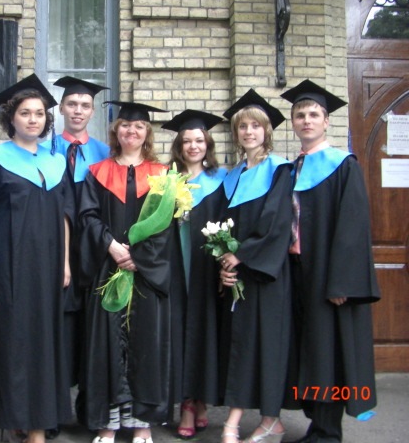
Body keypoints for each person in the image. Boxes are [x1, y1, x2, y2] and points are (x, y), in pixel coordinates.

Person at [280, 80, 380, 443]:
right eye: (300, 115)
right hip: (296, 272)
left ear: (326, 121)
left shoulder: (342, 165)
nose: (306, 120)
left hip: (327, 276)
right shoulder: (293, 168)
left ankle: (327, 432)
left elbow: (352, 227)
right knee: (307, 349)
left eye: (313, 115)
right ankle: (316, 424)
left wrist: (342, 282)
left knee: (327, 352)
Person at [77, 101, 171, 443]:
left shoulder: (162, 174)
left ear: (147, 133)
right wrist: (111, 246)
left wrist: (139, 257)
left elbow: (166, 226)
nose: (132, 131)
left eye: (139, 126)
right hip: (108, 268)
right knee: (106, 346)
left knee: (146, 345)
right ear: (116, 131)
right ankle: (108, 423)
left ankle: (142, 424)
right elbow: (87, 216)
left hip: (146, 272)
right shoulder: (97, 172)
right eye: (126, 125)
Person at [0, 74, 72, 443]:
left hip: (49, 267)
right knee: (16, 342)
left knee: (45, 344)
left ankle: (39, 425)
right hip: (11, 267)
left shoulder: (56, 163)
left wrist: (65, 263)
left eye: (39, 113)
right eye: (25, 113)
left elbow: (66, 216)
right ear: (12, 118)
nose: (33, 119)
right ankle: (18, 420)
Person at [217, 90, 293, 443]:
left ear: (266, 131)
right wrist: (223, 261)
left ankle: (257, 420)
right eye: (242, 126)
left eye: (255, 126)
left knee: (266, 345)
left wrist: (242, 255)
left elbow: (276, 222)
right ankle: (268, 421)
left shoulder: (278, 170)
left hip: (266, 273)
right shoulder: (232, 177)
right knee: (243, 345)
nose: (248, 132)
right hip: (238, 273)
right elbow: (222, 227)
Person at [42, 76, 110, 435]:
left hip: (96, 254)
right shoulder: (45, 150)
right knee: (58, 330)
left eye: (85, 105)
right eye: (72, 104)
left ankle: (90, 409)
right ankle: (53, 410)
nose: (78, 111)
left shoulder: (105, 154)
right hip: (57, 251)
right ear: (61, 108)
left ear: (92, 111)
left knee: (92, 331)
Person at [162, 110, 226, 440]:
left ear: (208, 144)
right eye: (186, 141)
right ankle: (187, 403)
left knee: (204, 333)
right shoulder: (168, 180)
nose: (193, 146)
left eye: (199, 140)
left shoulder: (222, 179)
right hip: (178, 269)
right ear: (179, 145)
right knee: (181, 333)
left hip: (207, 269)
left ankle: (200, 399)